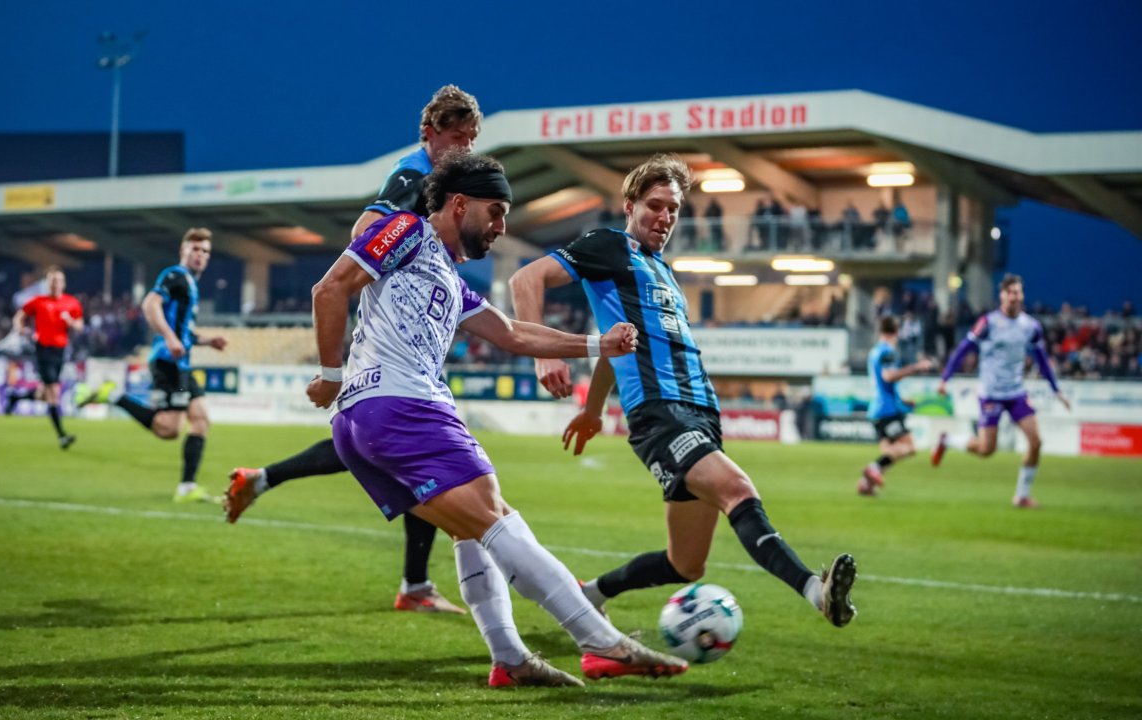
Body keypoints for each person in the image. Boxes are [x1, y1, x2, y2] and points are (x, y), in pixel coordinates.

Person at [309, 149, 687, 686]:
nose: (502, 227)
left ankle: (510, 659)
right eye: (496, 212)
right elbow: (330, 287)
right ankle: (600, 642)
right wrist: (329, 372)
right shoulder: (408, 231)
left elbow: (510, 333)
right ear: (460, 204)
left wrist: (597, 344)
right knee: (496, 518)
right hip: (400, 404)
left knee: (473, 530)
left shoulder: (447, 272)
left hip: (366, 419)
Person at [509, 153, 857, 629]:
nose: (665, 217)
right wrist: (542, 352)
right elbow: (525, 278)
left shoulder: (664, 272)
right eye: (655, 205)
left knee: (686, 564)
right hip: (661, 413)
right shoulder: (609, 246)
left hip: (701, 412)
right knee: (738, 490)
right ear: (629, 205)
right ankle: (816, 591)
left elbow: (618, 346)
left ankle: (589, 595)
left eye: (673, 209)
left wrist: (593, 411)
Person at [224, 85, 483, 614]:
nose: (465, 148)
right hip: (391, 338)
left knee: (387, 450)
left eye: (471, 139)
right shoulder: (413, 175)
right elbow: (364, 230)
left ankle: (264, 479)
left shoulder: (436, 179)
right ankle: (420, 585)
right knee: (419, 455)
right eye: (458, 137)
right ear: (429, 133)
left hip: (407, 339)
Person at [78, 228, 228, 503]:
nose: (200, 255)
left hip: (182, 364)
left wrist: (208, 341)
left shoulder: (190, 285)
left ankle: (186, 488)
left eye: (205, 251)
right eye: (195, 249)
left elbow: (184, 331)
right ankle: (114, 395)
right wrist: (169, 337)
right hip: (167, 362)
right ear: (183, 251)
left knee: (200, 419)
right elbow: (150, 304)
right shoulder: (174, 276)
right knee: (169, 429)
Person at [932, 274, 1071, 507]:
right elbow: (963, 349)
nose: (1015, 297)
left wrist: (1056, 389)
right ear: (1002, 295)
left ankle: (1022, 495)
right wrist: (945, 378)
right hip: (991, 393)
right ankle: (948, 440)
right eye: (1011, 293)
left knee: (1036, 442)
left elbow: (1042, 359)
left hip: (1016, 393)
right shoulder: (988, 323)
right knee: (986, 449)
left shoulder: (1030, 326)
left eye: (1018, 292)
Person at [5, 266, 83, 450]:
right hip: (42, 350)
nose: (55, 284)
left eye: (58, 281)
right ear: (47, 283)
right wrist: (20, 328)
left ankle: (15, 398)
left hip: (60, 351)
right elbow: (19, 316)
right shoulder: (38, 301)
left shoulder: (71, 303)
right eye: (52, 281)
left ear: (63, 283)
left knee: (44, 394)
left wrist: (71, 322)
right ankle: (62, 435)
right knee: (54, 392)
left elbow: (80, 325)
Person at [860, 315, 936, 496]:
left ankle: (866, 485)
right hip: (887, 410)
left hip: (879, 408)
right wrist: (916, 367)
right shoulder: (887, 351)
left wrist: (902, 400)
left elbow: (883, 384)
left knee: (889, 452)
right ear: (896, 331)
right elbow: (888, 376)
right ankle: (872, 469)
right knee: (909, 447)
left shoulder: (875, 351)